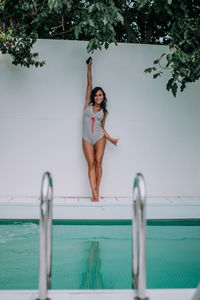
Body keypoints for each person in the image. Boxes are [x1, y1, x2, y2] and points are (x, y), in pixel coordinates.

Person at [82, 57, 119, 202]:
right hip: (86, 138)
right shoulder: (87, 105)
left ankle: (98, 189)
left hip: (99, 138)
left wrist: (110, 139)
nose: (98, 97)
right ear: (93, 96)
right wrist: (89, 67)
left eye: (100, 95)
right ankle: (94, 193)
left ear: (103, 97)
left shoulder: (104, 112)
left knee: (98, 163)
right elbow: (89, 83)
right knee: (90, 164)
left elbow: (102, 128)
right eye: (96, 95)